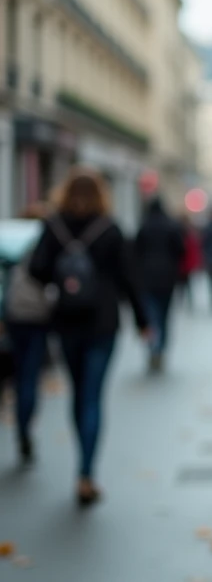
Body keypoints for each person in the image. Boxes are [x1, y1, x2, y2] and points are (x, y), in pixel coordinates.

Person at [28, 167, 149, 506]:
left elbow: (36, 269)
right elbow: (130, 278)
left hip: (67, 321)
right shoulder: (110, 229)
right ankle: (86, 473)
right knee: (93, 397)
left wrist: (62, 282)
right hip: (103, 321)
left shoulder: (54, 226)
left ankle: (82, 465)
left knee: (78, 392)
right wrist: (143, 321)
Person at [4, 202, 55, 466]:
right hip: (36, 315)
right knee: (29, 377)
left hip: (13, 313)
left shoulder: (11, 241)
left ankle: (21, 427)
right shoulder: (46, 240)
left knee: (19, 371)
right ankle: (24, 428)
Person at [134, 197, 185, 373]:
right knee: (163, 316)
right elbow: (180, 250)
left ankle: (153, 347)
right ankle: (160, 348)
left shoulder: (144, 226)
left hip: (147, 278)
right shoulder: (171, 226)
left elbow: (136, 251)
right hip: (167, 278)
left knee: (151, 314)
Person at [176, 213, 203, 311]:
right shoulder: (189, 233)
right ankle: (187, 302)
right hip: (186, 264)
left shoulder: (178, 231)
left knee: (182, 285)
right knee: (187, 284)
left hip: (180, 264)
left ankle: (182, 301)